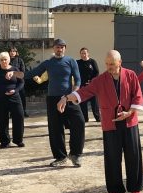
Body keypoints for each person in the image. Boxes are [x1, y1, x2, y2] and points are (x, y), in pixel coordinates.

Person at [60, 50, 143, 193]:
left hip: (129, 121)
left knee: (133, 155)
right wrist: (66, 98)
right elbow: (84, 92)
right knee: (112, 157)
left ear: (120, 62)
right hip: (110, 123)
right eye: (107, 64)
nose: (109, 67)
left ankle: (135, 188)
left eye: (112, 64)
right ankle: (115, 190)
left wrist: (130, 112)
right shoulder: (100, 79)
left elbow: (137, 96)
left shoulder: (131, 75)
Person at [11, 38, 85, 167]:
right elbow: (31, 73)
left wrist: (73, 94)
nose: (59, 49)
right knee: (55, 128)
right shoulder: (48, 63)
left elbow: (78, 80)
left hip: (68, 98)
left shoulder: (71, 61)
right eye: (57, 47)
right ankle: (60, 157)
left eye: (62, 47)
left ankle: (75, 154)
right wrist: (14, 73)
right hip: (52, 99)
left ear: (65, 48)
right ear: (53, 48)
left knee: (79, 122)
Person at [77, 47, 100, 122]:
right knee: (83, 103)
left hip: (92, 86)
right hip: (82, 86)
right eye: (82, 53)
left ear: (88, 53)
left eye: (85, 53)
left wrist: (92, 81)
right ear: (80, 54)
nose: (83, 55)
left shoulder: (92, 61)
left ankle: (98, 118)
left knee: (94, 103)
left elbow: (97, 72)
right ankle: (85, 118)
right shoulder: (78, 62)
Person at [8, 45, 28, 117]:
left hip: (19, 81)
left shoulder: (20, 60)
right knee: (11, 97)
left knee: (22, 96)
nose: (12, 53)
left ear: (16, 52)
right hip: (10, 81)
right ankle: (12, 112)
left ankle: (23, 111)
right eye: (11, 51)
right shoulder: (7, 60)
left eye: (14, 51)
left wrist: (17, 75)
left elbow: (23, 70)